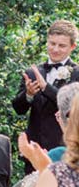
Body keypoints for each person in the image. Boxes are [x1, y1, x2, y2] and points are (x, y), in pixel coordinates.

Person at [12, 20, 79, 173]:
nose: (55, 49)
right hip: (35, 149)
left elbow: (73, 108)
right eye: (52, 43)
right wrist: (28, 94)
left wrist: (46, 88)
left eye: (61, 46)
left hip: (64, 149)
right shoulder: (32, 72)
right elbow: (18, 109)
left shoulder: (76, 73)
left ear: (72, 47)